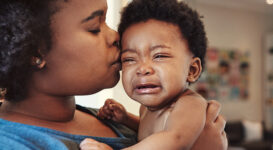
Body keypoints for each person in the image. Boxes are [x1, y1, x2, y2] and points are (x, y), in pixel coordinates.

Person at [0, 0, 227, 149]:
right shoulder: (12, 142)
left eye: (159, 56)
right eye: (95, 27)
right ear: (33, 51)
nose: (117, 36)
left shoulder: (104, 117)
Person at [79, 0, 225, 149]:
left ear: (192, 70)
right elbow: (151, 133)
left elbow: (175, 139)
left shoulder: (189, 104)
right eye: (129, 59)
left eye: (159, 56)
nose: (142, 69)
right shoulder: (146, 109)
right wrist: (126, 119)